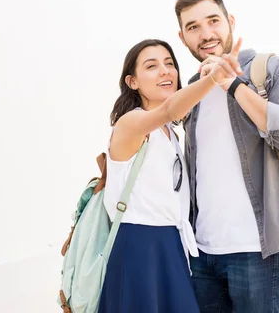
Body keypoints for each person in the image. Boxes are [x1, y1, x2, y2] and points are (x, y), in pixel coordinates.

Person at [174, 0, 279, 313]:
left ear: (230, 22)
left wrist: (233, 85)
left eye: (213, 21)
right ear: (182, 37)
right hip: (203, 252)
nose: (206, 33)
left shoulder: (270, 69)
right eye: (193, 27)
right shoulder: (191, 90)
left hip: (260, 251)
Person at [98, 38, 242, 312]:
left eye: (169, 64)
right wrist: (214, 78)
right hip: (140, 247)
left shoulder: (169, 132)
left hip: (171, 246)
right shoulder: (130, 122)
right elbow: (170, 108)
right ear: (132, 82)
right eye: (152, 66)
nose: (165, 71)